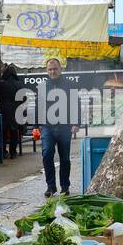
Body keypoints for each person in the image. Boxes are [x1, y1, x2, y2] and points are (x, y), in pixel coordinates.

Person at [40, 57, 77, 197]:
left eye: (55, 69)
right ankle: (51, 186)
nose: (52, 71)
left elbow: (75, 104)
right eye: (50, 69)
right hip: (47, 127)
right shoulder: (43, 86)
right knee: (47, 153)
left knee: (65, 158)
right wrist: (38, 126)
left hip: (64, 126)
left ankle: (65, 186)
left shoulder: (69, 85)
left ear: (60, 69)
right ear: (46, 71)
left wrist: (75, 123)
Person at [0, 64, 24, 159]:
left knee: (3, 131)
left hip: (4, 109)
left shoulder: (2, 83)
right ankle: (13, 152)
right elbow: (24, 98)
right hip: (16, 110)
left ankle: (3, 152)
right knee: (14, 131)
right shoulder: (19, 84)